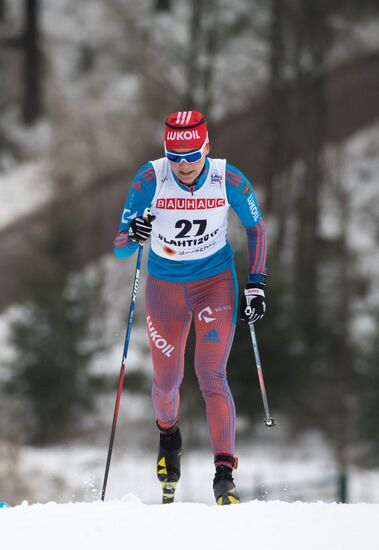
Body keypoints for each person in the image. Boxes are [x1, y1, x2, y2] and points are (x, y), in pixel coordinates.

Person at [113, 111, 267, 505]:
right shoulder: (150, 179)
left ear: (207, 148)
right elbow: (120, 246)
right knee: (167, 383)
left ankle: (224, 473)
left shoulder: (228, 179)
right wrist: (134, 234)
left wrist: (256, 284)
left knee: (210, 374)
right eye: (174, 156)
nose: (182, 165)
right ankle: (168, 436)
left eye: (191, 155)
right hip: (165, 289)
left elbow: (256, 227)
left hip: (215, 284)